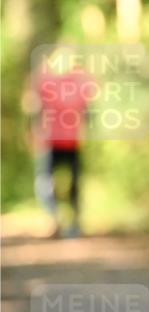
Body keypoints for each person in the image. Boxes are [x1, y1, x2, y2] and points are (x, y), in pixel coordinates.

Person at [30, 48, 92, 238]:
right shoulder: (80, 79)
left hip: (60, 140)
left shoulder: (45, 76)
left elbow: (34, 106)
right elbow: (89, 109)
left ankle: (63, 220)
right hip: (58, 140)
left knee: (48, 182)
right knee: (55, 182)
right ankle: (66, 221)